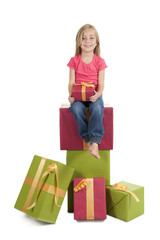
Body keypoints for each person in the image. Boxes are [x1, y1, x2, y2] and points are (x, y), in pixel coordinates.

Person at [67, 24, 108, 159]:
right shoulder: (74, 61)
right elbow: (71, 82)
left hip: (94, 96)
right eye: (83, 38)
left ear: (96, 43)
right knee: (76, 109)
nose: (87, 41)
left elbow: (101, 84)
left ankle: (95, 141)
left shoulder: (99, 62)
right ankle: (88, 139)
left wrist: (98, 94)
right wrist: (71, 96)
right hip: (78, 96)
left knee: (97, 108)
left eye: (91, 38)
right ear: (79, 42)